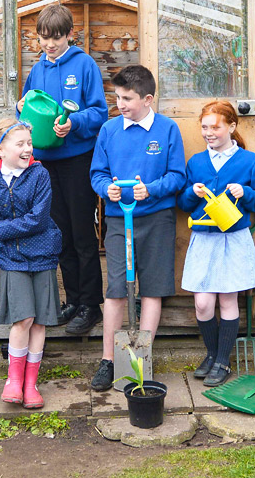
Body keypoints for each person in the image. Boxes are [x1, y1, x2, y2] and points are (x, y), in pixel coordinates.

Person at [88, 64, 186, 391]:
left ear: (148, 99)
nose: (121, 104)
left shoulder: (167, 130)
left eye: (127, 98)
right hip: (119, 219)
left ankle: (140, 360)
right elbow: (98, 173)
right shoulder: (110, 130)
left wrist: (152, 189)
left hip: (157, 218)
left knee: (153, 288)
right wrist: (107, 190)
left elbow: (177, 176)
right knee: (116, 290)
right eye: (117, 97)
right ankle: (108, 360)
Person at [17, 4, 108, 335]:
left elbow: (100, 112)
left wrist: (75, 124)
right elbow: (26, 109)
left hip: (77, 159)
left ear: (70, 34)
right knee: (59, 234)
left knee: (83, 233)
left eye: (55, 38)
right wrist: (20, 110)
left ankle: (90, 304)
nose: (49, 45)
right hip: (44, 164)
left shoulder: (84, 65)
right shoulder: (37, 69)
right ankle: (72, 299)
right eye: (43, 38)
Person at [0, 118, 62, 409]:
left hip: (43, 252)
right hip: (12, 257)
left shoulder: (39, 174)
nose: (27, 149)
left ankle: (31, 383)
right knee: (23, 318)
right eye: (20, 144)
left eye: (29, 144)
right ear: (1, 150)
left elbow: (38, 219)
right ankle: (13, 380)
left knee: (39, 321)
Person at [177, 101, 255, 387]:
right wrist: (192, 192)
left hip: (233, 239)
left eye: (215, 127)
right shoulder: (196, 163)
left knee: (228, 300)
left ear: (231, 126)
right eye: (204, 127)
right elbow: (182, 203)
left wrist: (246, 192)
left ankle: (221, 361)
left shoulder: (249, 161)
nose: (209, 133)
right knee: (203, 303)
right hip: (204, 239)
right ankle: (212, 353)